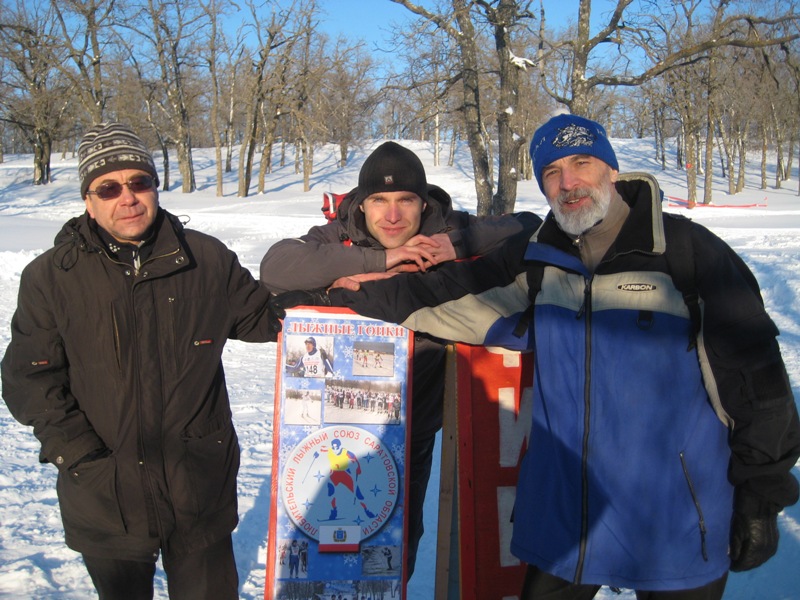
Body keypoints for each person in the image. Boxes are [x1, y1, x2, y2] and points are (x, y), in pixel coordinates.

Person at [271, 114, 800, 599]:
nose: (568, 182)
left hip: (674, 512)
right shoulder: (540, 262)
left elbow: (757, 384)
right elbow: (443, 298)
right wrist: (337, 298)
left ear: (612, 169)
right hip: (565, 516)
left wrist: (761, 493)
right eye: (551, 171)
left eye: (581, 163)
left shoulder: (689, 253)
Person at [1, 122, 282, 600]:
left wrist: (352, 279)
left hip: (198, 487)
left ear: (155, 186)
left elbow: (265, 319)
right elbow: (30, 378)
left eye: (139, 182)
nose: (126, 197)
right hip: (106, 496)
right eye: (108, 188)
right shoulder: (51, 277)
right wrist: (81, 457)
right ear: (88, 200)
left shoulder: (207, 260)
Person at [260, 140, 540, 577]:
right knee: (327, 542)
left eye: (405, 200)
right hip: (336, 423)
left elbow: (529, 225)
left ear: (423, 203)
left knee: (395, 543)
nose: (392, 216)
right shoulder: (341, 233)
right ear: (361, 203)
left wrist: (458, 244)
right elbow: (277, 265)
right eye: (380, 201)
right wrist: (383, 259)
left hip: (416, 419)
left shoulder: (446, 228)